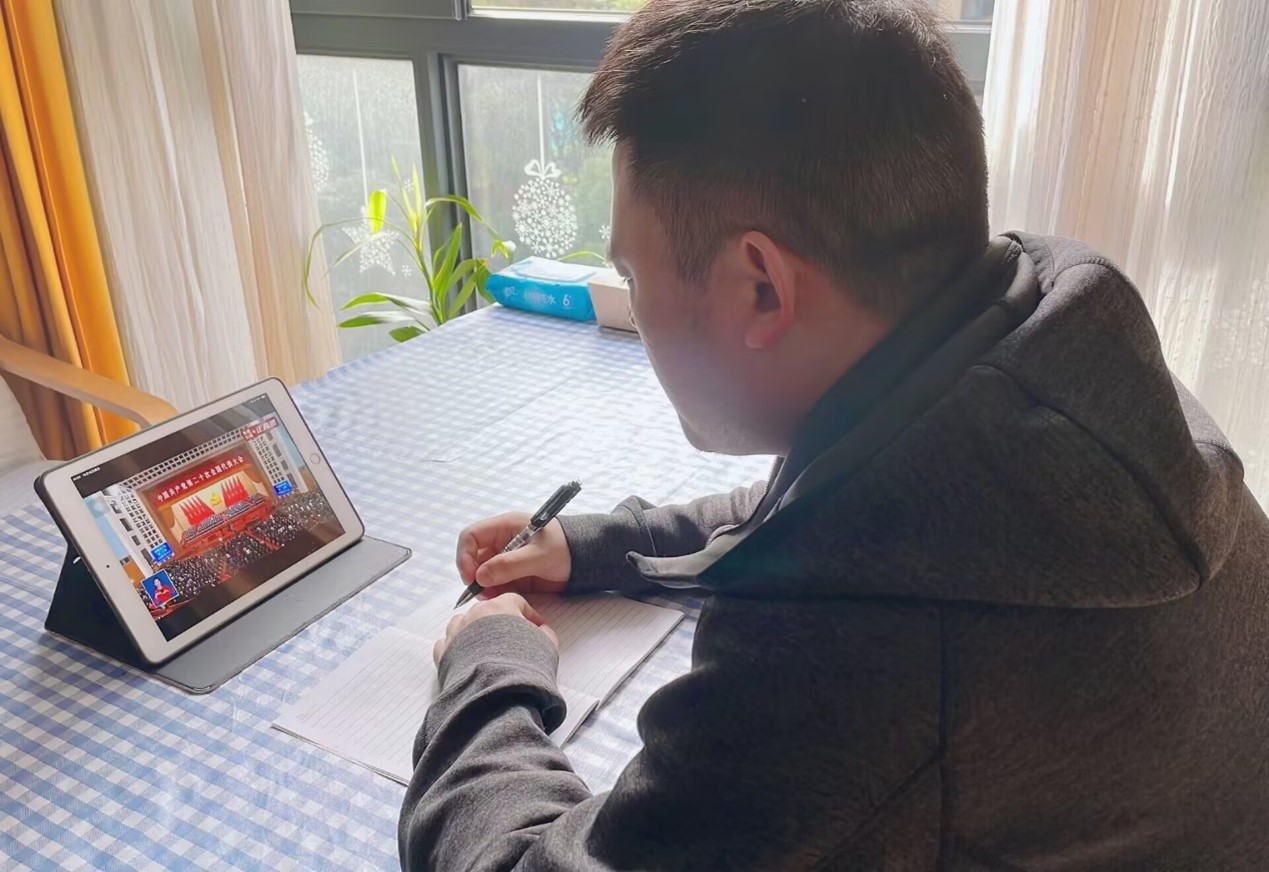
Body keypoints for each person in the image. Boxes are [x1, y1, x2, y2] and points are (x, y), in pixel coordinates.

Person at [399, 0, 1269, 868]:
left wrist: (488, 664)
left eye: (630, 272)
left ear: (761, 288)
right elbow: (847, 516)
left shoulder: (854, 657)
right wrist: (596, 545)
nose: (631, 298)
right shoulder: (1060, 363)